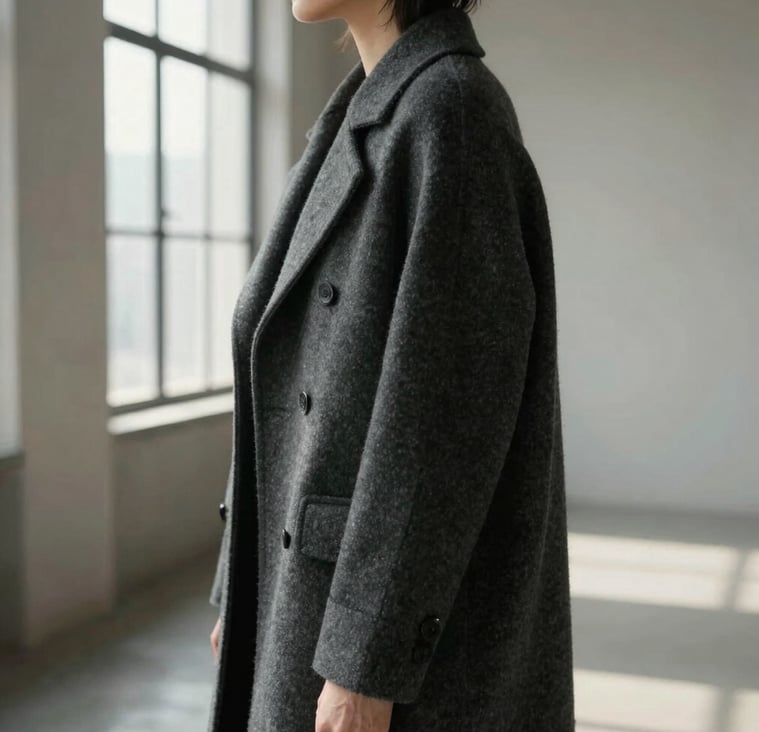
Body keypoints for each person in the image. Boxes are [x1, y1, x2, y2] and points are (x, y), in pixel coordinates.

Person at [207, 1, 575, 731]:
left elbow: (444, 423)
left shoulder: (452, 113)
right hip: (306, 595)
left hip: (382, 637)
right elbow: (282, 377)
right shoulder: (362, 113)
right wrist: (239, 581)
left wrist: (364, 664)